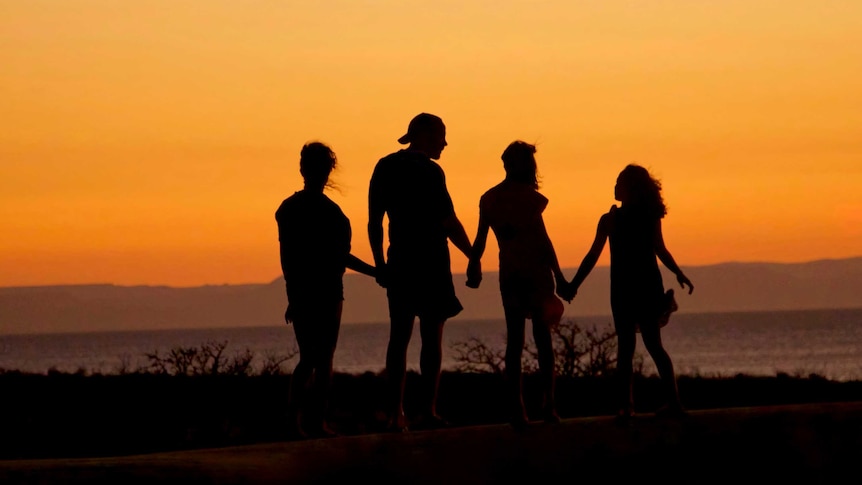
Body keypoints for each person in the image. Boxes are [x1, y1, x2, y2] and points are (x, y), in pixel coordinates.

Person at [563, 164, 694, 421]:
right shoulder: (615, 219)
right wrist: (574, 284)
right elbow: (593, 256)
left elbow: (659, 249)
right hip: (633, 287)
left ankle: (640, 405)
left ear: (630, 188)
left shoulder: (623, 218)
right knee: (641, 347)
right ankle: (641, 403)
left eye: (619, 182)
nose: (614, 186)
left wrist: (678, 272)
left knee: (637, 347)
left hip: (635, 287)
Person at [368, 113, 473, 431]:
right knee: (431, 339)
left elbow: (375, 222)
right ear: (426, 136)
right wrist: (473, 255)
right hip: (431, 263)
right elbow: (448, 221)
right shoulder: (430, 171)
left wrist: (380, 265)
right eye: (441, 135)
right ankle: (427, 410)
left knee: (398, 338)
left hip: (399, 261)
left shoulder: (385, 166)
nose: (444, 142)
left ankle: (395, 413)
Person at [275, 141, 376, 439]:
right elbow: (337, 256)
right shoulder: (327, 212)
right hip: (324, 291)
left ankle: (303, 422)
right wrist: (376, 272)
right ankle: (311, 422)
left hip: (312, 290)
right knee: (320, 357)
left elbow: (288, 258)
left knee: (313, 357)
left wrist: (292, 294)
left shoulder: (293, 209)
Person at [466, 141, 569, 429]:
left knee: (516, 341)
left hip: (510, 273)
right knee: (542, 340)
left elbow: (481, 239)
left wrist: (474, 265)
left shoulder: (489, 198)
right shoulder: (529, 198)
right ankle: (548, 405)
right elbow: (543, 241)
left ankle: (519, 408)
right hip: (534, 273)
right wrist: (559, 276)